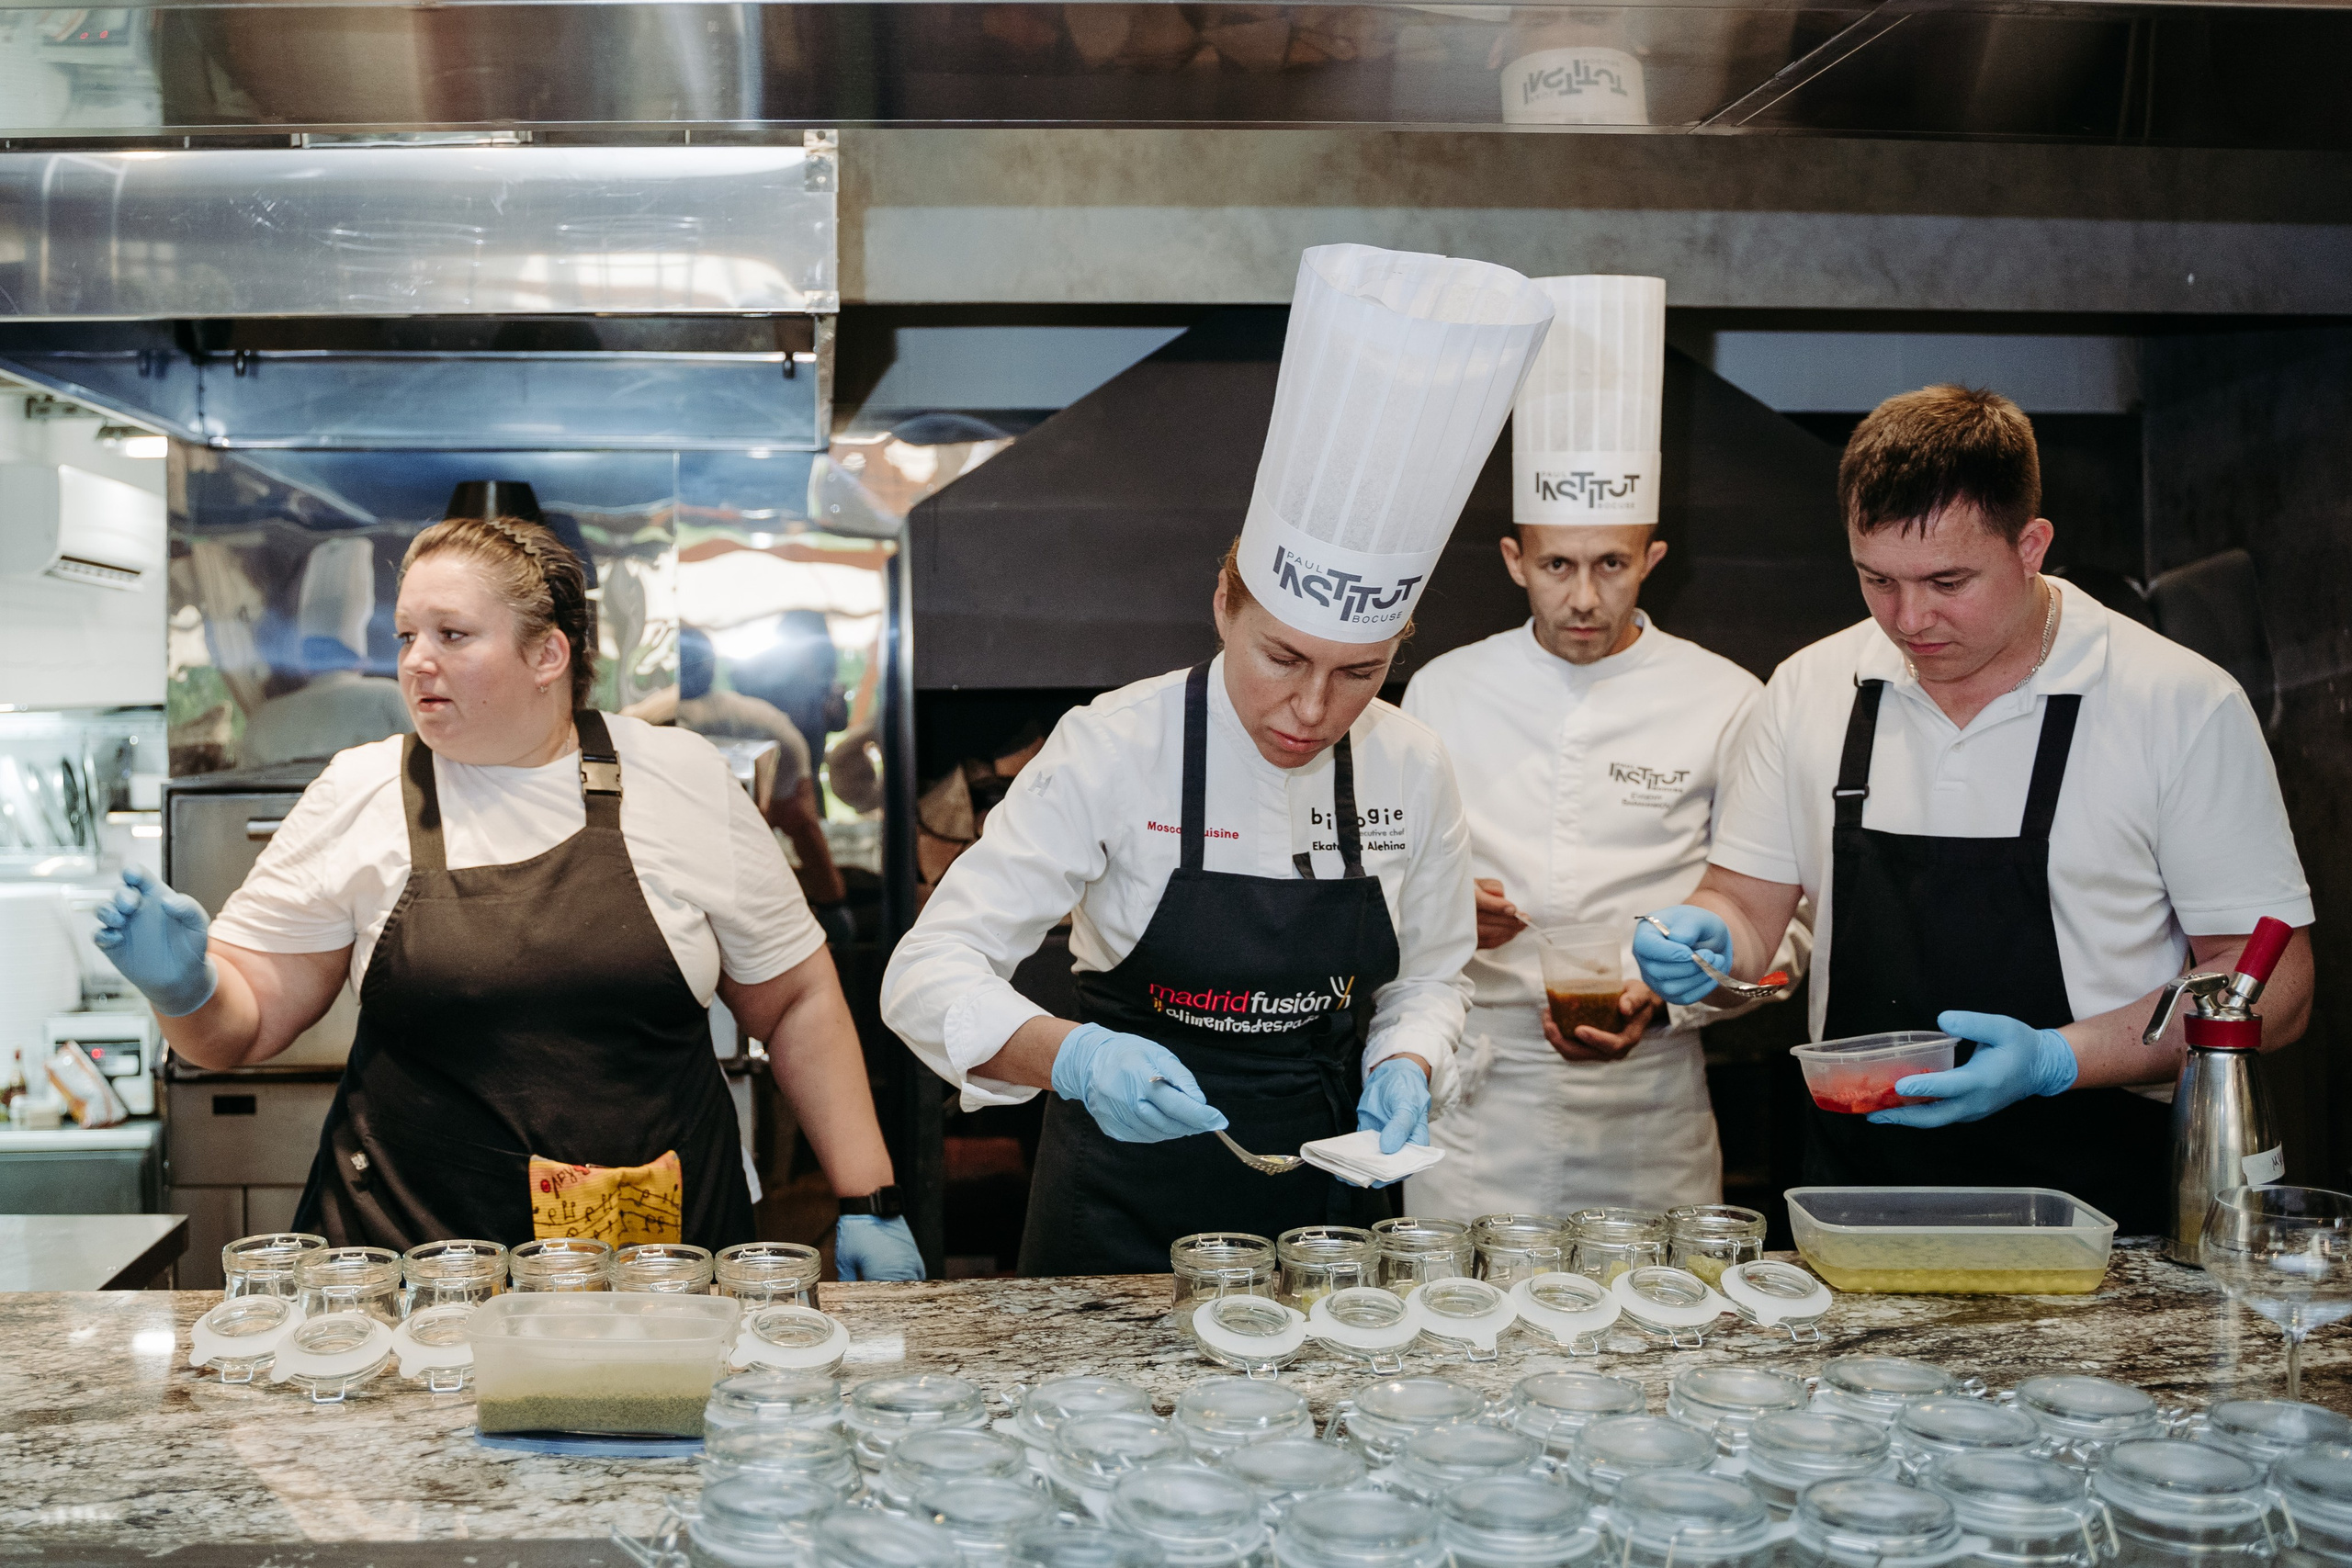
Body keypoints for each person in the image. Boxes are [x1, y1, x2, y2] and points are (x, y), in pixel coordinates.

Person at [882, 243, 1553, 1275]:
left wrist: (1409, 1056)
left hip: (1329, 1214)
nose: (1310, 708)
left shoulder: (1413, 765)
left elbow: (1429, 976)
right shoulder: (1111, 748)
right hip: (1117, 1209)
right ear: (1222, 608)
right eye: (1281, 657)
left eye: (1358, 673)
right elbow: (925, 975)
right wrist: (1074, 1056)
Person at [93, 515, 922, 1277]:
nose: (417, 660)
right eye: (407, 634)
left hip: (653, 1276)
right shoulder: (364, 791)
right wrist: (185, 986)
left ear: (547, 655)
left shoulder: (680, 779)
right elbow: (238, 1027)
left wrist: (869, 1199)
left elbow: (797, 998)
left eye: (452, 634)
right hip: (423, 1275)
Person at [1633, 385, 2313, 1234]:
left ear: (2032, 546)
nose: (1909, 619)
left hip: (2107, 1217)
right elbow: (1744, 905)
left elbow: (2274, 981)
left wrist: (2058, 1059)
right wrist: (1704, 937)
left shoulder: (2175, 702)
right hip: (1858, 1212)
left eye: (1947, 580)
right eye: (1876, 579)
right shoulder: (1811, 687)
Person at [1399, 273, 1797, 1220]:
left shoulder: (1727, 699)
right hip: (1476, 1102)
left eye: (1611, 564)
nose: (1583, 598)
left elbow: (1789, 931)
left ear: (1652, 558)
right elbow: (1376, 878)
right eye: (1556, 566)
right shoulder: (1441, 691)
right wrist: (1442, 912)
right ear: (1513, 561)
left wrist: (1672, 998)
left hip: (1649, 1105)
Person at [626, 626, 852, 916]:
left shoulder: (641, 718)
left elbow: (801, 817)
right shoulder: (756, 716)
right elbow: (803, 822)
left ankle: (833, 907)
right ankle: (834, 908)